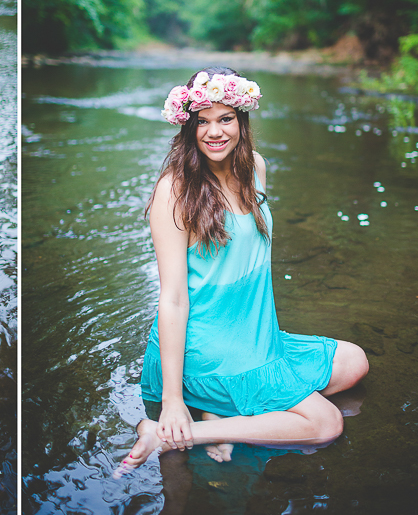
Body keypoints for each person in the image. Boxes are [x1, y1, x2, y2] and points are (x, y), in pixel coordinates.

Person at [116, 66, 368, 475]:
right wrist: (173, 401)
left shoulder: (255, 168)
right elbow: (174, 298)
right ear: (188, 126)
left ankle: (222, 419)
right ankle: (168, 430)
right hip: (209, 350)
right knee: (326, 424)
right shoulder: (174, 190)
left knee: (354, 362)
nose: (215, 132)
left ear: (242, 119)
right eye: (203, 121)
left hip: (256, 338)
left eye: (225, 118)